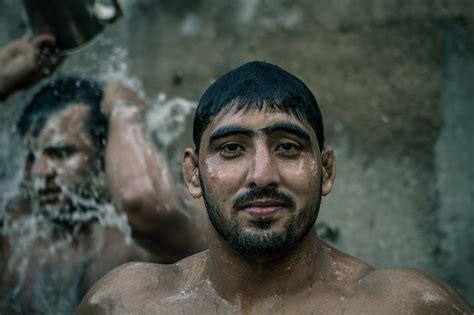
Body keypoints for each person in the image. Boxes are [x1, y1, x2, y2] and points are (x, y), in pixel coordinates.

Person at [76, 61, 473, 314]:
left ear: (326, 169)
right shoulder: (127, 304)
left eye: (287, 147)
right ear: (194, 174)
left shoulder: (406, 306)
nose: (262, 174)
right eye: (232, 149)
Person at [0, 68, 207, 312]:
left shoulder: (137, 239)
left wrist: (123, 109)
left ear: (103, 155)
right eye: (32, 158)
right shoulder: (16, 232)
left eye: (61, 154)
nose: (39, 172)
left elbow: (144, 198)